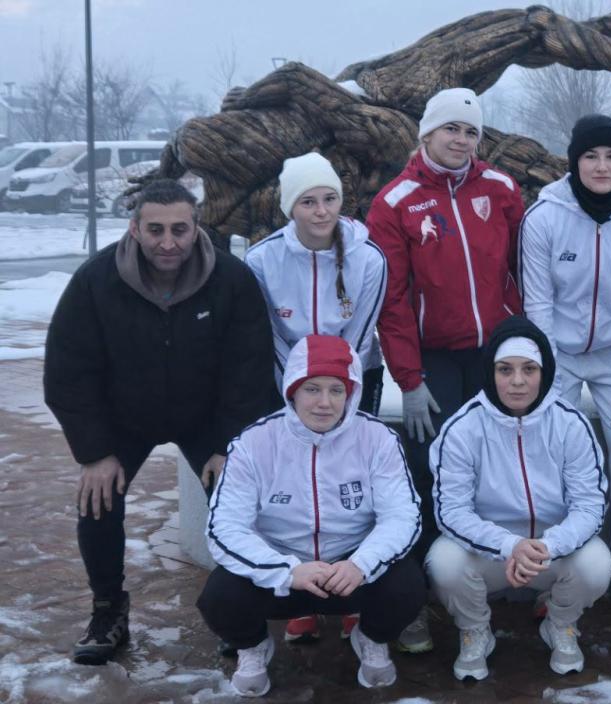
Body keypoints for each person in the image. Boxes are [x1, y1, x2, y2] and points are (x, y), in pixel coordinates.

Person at [44, 178, 276, 665]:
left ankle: (240, 613)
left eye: (179, 229)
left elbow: (249, 368)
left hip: (205, 417)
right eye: (155, 230)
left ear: (196, 227)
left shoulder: (231, 279)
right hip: (123, 417)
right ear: (134, 228)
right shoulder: (96, 280)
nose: (168, 242)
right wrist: (94, 452)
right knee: (97, 500)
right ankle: (108, 610)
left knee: (238, 499)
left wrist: (228, 445)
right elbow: (69, 370)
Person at [368, 86, 525, 652]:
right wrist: (409, 380)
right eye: (450, 129)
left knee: (496, 465)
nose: (461, 140)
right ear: (426, 133)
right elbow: (392, 299)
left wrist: (523, 342)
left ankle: (487, 581)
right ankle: (415, 595)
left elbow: (523, 269)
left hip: (494, 353)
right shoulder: (395, 202)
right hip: (434, 356)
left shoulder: (501, 189)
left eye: (470, 131)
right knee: (430, 469)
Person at [197, 335, 423, 696]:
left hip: (348, 571)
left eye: (337, 390)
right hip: (283, 574)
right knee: (220, 596)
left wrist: (361, 564)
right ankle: (252, 646)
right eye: (312, 389)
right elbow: (224, 527)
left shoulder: (377, 438)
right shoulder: (254, 443)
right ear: (292, 391)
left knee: (407, 586)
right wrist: (286, 570)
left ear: (351, 393)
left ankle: (371, 637)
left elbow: (402, 516)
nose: (324, 402)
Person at [245, 153, 390, 644]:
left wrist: (336, 390)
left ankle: (352, 593)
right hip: (286, 381)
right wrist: (297, 387)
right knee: (295, 482)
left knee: (351, 480)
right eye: (308, 202)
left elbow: (361, 333)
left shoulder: (369, 258)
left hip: (353, 376)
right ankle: (300, 597)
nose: (322, 211)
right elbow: (268, 331)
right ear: (291, 207)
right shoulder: (262, 259)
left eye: (330, 199)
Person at [425, 316, 611, 681]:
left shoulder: (570, 423)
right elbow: (452, 511)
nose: (517, 381)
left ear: (544, 372)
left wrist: (548, 545)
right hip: (492, 551)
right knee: (444, 562)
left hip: (550, 552)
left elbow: (590, 506)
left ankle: (560, 623)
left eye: (529, 369)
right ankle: (475, 629)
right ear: (490, 372)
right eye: (505, 369)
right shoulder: (463, 428)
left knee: (596, 564)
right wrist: (509, 545)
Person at [520, 113, 611, 543]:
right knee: (555, 445)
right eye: (590, 156)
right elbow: (538, 304)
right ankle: (555, 549)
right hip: (560, 354)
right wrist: (546, 376)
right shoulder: (543, 217)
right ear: (573, 161)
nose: (602, 166)